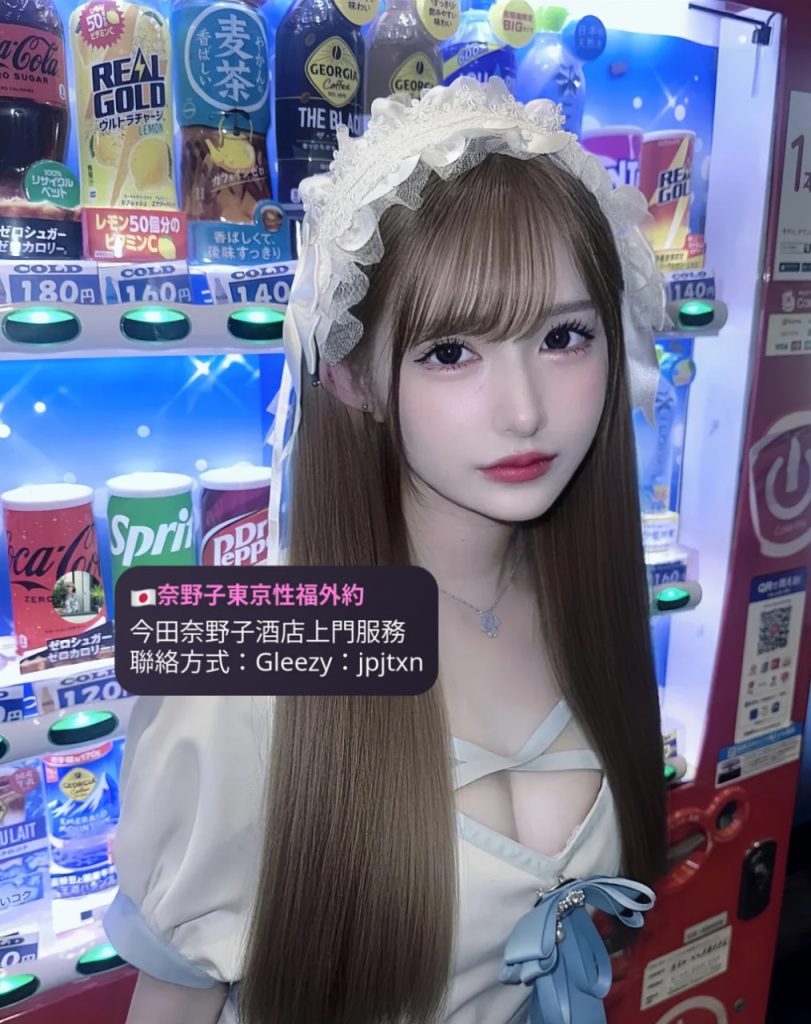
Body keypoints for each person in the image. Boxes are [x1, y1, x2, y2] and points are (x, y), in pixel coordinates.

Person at [105, 77, 668, 1024]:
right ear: (351, 376)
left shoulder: (582, 593)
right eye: (451, 352)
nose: (523, 410)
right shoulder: (250, 643)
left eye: (565, 337)